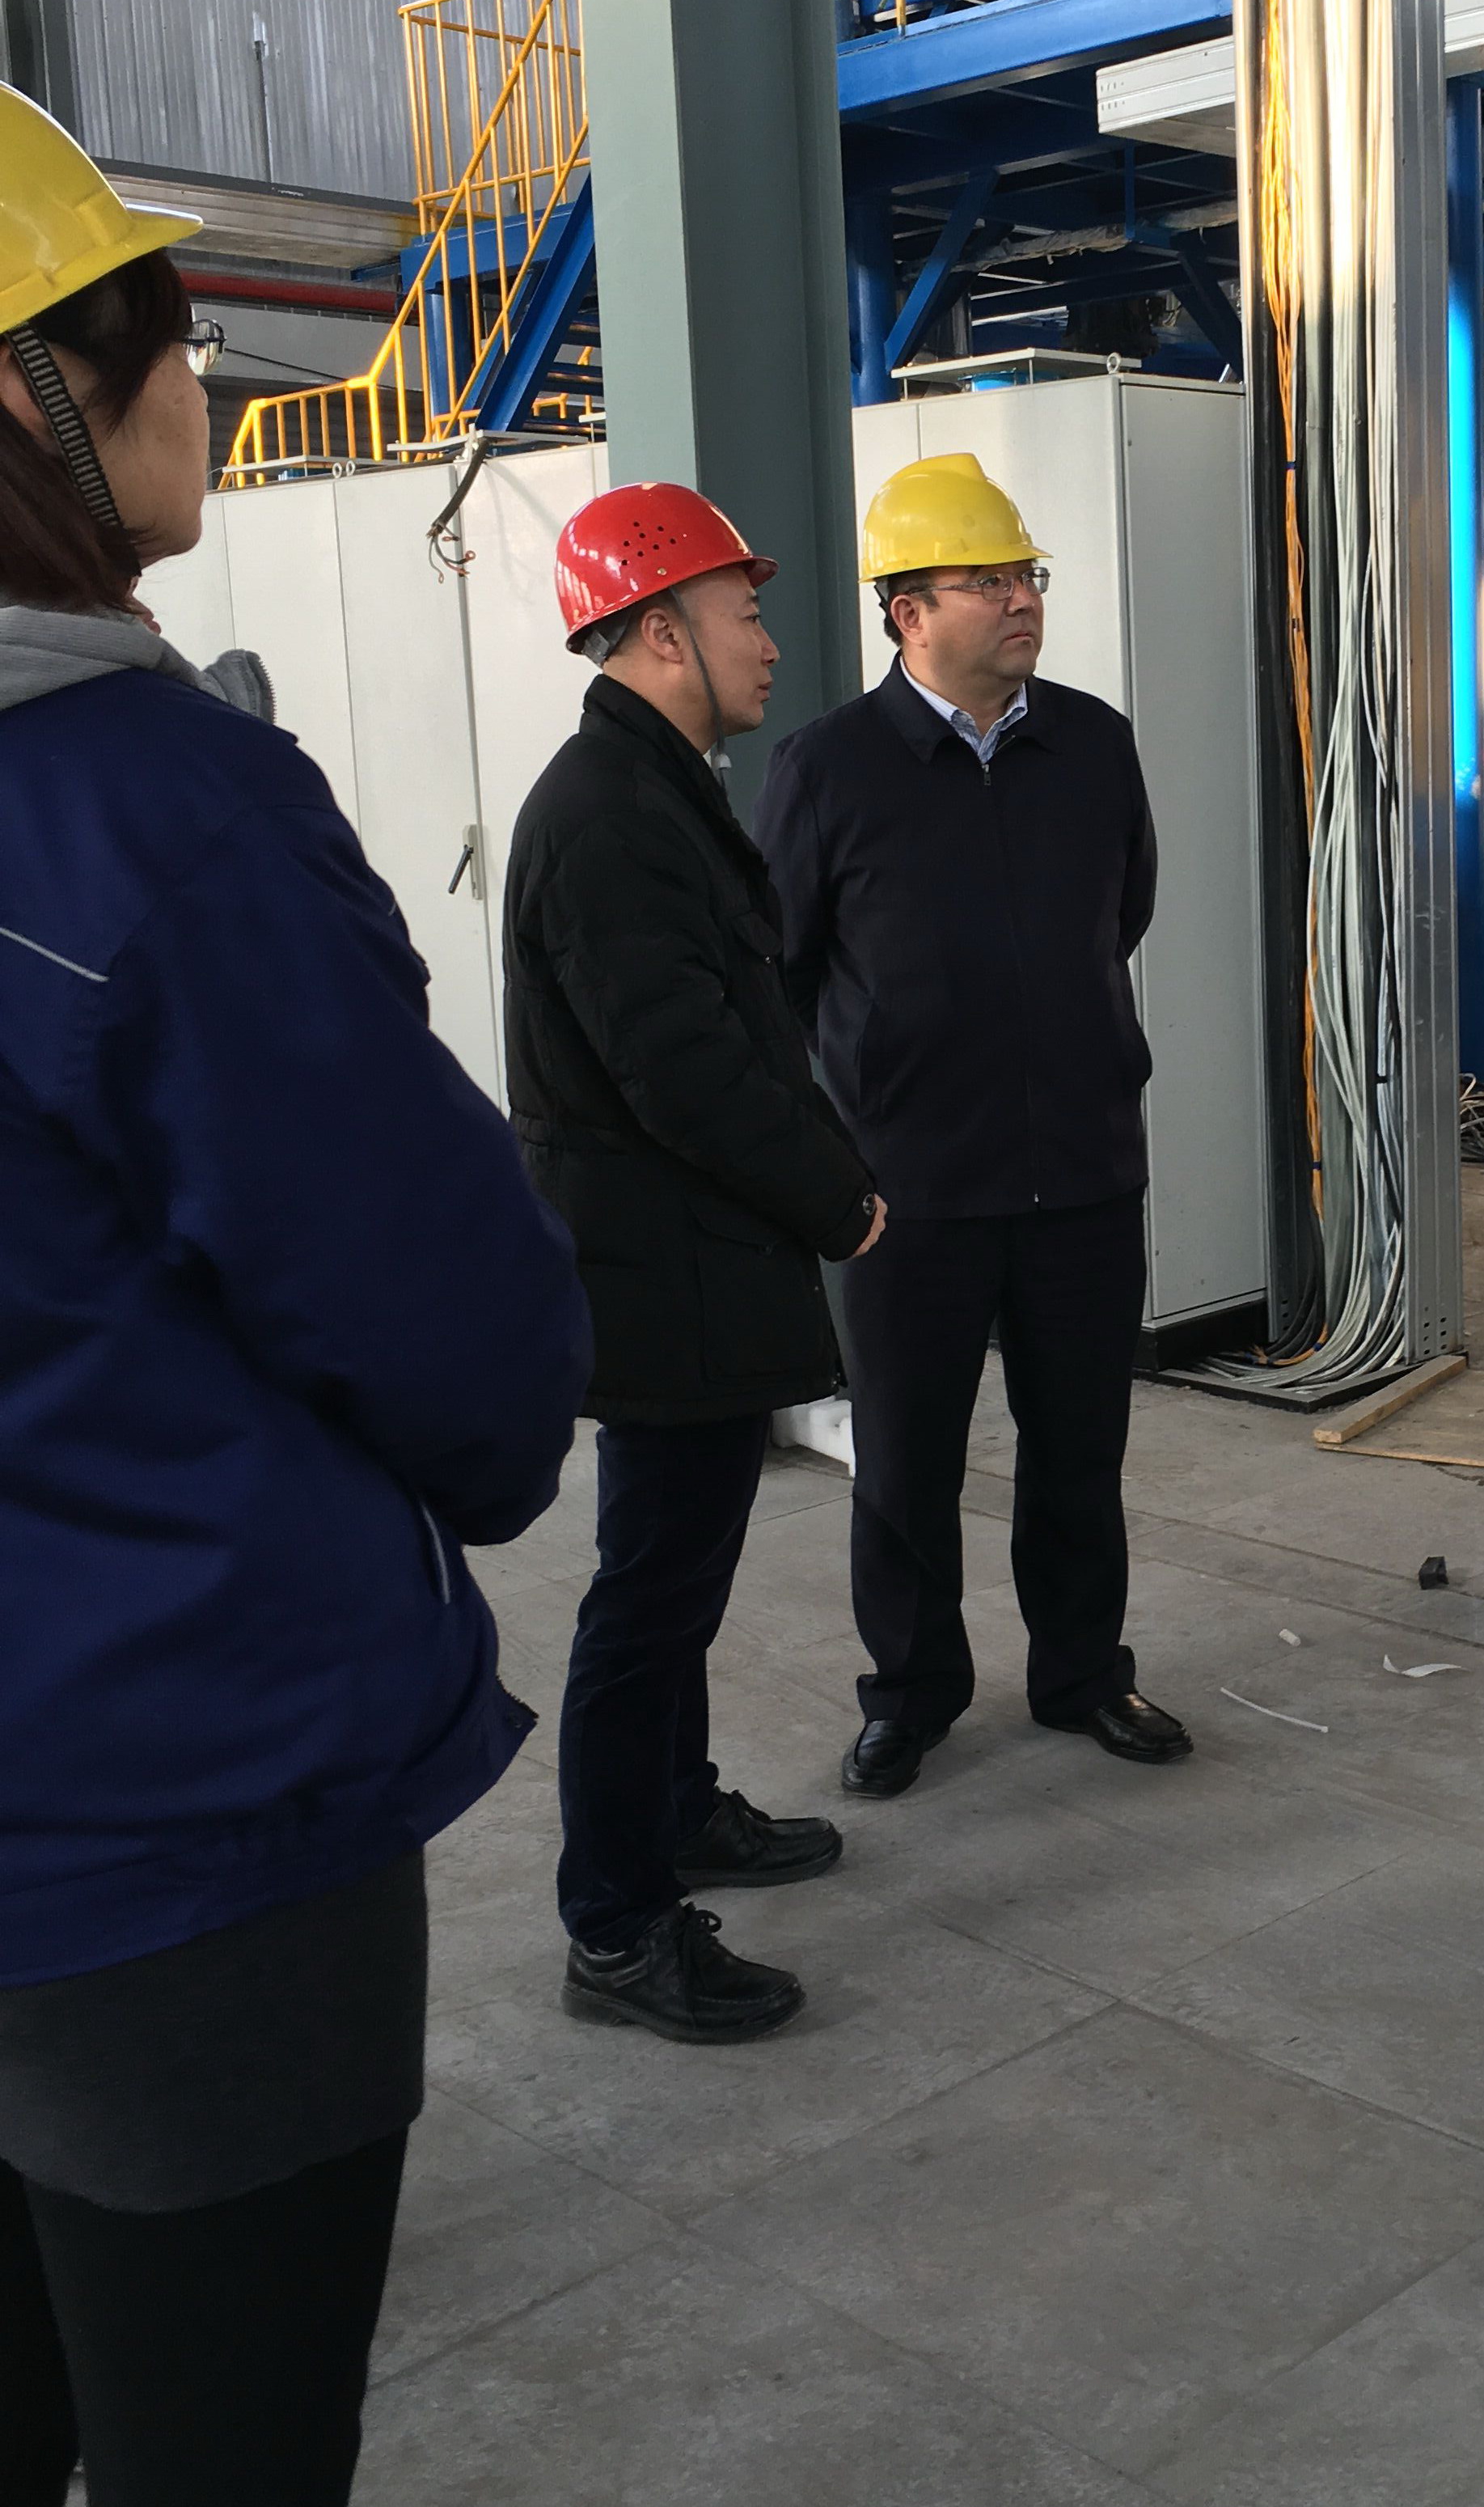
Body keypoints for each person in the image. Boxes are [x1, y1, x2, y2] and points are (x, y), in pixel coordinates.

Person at [0, 87, 590, 2505]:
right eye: (152, 329)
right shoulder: (142, 810)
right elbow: (453, 1326)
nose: (202, 376)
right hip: (173, 1817)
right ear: (28, 398)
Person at [503, 482, 887, 2047]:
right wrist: (837, 1198)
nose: (771, 643)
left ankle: (675, 1811)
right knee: (649, 1598)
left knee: (676, 1574)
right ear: (661, 630)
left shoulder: (653, 790)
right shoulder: (608, 815)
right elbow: (686, 1070)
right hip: (663, 1275)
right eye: (747, 614)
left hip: (688, 1268)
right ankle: (615, 1927)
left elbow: (734, 1035)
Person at [755, 451, 1192, 1798]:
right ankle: (910, 1696)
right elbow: (779, 966)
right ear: (908, 610)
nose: (1021, 600)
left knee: (1081, 1456)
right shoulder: (828, 766)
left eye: (1027, 575)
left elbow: (1121, 914)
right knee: (904, 1468)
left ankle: (1083, 1674)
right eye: (987, 579)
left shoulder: (1093, 744)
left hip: (1083, 1174)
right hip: (908, 1192)